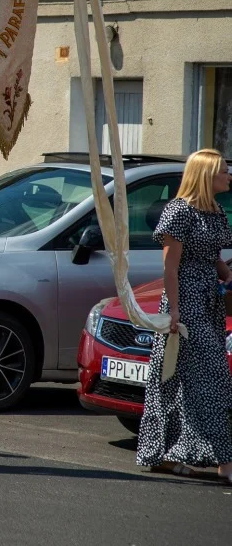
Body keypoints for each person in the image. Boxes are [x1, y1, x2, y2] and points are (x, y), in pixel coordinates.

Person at [136, 149, 232, 484]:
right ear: (206, 175)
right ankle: (223, 462)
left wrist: (226, 276)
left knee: (183, 380)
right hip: (186, 301)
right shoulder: (179, 211)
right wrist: (174, 311)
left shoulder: (216, 210)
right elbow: (170, 268)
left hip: (211, 301)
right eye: (223, 170)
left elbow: (214, 257)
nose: (229, 175)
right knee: (208, 378)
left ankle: (173, 454)